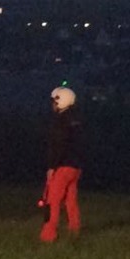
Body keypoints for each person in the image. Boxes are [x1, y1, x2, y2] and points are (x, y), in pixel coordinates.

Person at [40, 86, 83, 243]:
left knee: (53, 201)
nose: (52, 105)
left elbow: (58, 145)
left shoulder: (60, 122)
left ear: (60, 101)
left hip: (62, 166)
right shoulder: (77, 120)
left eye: (54, 101)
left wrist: (52, 166)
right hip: (76, 166)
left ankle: (48, 234)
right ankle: (74, 229)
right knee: (70, 200)